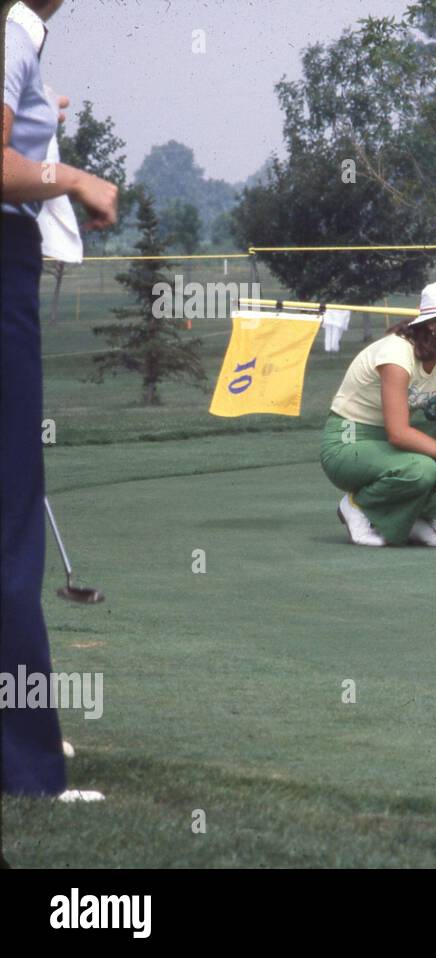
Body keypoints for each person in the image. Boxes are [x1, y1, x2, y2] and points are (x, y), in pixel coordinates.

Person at [3, 0, 117, 799]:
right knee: (9, 526)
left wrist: (44, 126)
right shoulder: (10, 30)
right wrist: (72, 175)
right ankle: (24, 768)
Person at [320, 280, 436, 547]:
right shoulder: (396, 352)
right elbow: (399, 434)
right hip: (347, 442)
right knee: (421, 469)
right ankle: (357, 505)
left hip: (388, 441)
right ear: (433, 324)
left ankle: (421, 518)